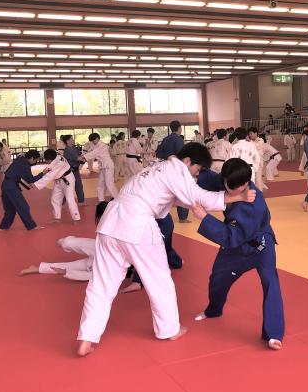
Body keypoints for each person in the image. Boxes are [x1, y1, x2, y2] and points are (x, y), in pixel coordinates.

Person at [75, 143, 255, 357]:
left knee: (101, 285)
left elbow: (179, 199)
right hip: (137, 223)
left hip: (110, 222)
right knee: (159, 279)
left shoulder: (155, 167)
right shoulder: (176, 170)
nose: (196, 175)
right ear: (187, 161)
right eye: (197, 169)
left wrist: (203, 203)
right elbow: (197, 196)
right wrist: (237, 197)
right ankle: (169, 329)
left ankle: (86, 338)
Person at [192, 159, 284, 351]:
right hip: (235, 246)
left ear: (246, 182)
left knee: (270, 281)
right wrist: (193, 171)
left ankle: (273, 333)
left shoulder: (253, 204)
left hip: (260, 245)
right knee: (218, 279)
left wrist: (205, 218)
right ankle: (214, 310)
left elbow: (230, 237)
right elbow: (209, 178)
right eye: (227, 185)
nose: (230, 190)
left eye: (236, 188)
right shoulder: (230, 180)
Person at [19, 201, 108, 280]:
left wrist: (66, 272)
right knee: (67, 243)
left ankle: (37, 269)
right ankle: (63, 242)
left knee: (69, 268)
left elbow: (89, 276)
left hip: (103, 262)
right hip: (100, 248)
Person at [0, 149, 45, 231]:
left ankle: (3, 227)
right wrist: (43, 173)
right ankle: (31, 226)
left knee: (10, 208)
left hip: (5, 184)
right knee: (23, 206)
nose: (35, 162)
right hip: (11, 186)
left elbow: (20, 173)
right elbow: (30, 179)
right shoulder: (25, 165)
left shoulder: (20, 159)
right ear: (31, 158)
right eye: (35, 160)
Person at [34, 149, 81, 223]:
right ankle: (57, 217)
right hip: (59, 180)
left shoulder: (59, 163)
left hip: (68, 180)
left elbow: (49, 176)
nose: (46, 162)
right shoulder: (56, 155)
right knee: (55, 198)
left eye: (47, 160)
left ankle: (76, 218)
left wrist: (36, 185)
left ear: (50, 159)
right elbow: (50, 166)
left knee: (70, 199)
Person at [156, 120, 191, 221]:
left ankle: (159, 213)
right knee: (182, 191)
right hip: (176, 167)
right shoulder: (178, 139)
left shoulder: (165, 139)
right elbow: (182, 155)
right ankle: (183, 217)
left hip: (165, 167)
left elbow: (158, 153)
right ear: (179, 128)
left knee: (164, 190)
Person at [80, 133, 118, 202]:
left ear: (97, 138)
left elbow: (94, 153)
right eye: (91, 141)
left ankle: (116, 198)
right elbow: (90, 151)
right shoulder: (95, 145)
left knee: (109, 183)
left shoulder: (102, 146)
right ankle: (101, 200)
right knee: (101, 184)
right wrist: (82, 156)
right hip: (102, 167)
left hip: (108, 166)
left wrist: (83, 157)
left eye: (93, 140)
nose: (93, 142)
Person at [60, 135, 85, 205]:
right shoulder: (67, 149)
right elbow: (77, 158)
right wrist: (86, 157)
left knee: (79, 185)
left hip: (75, 170)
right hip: (69, 171)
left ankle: (81, 201)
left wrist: (83, 157)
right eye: (71, 139)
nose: (73, 140)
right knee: (68, 186)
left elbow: (79, 156)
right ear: (67, 141)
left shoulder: (74, 148)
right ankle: (61, 201)